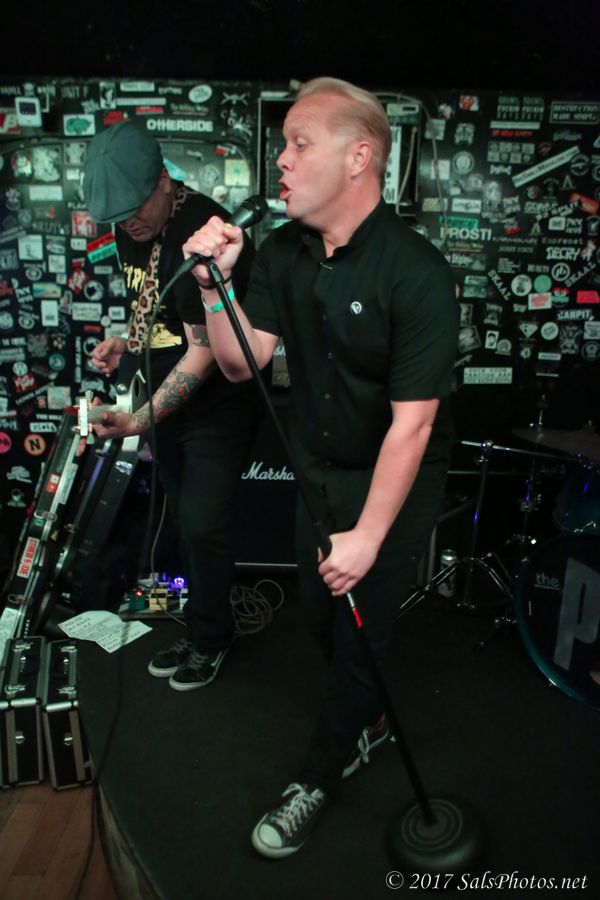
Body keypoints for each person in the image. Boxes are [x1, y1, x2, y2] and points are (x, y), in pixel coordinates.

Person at [182, 77, 460, 857]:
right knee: (319, 615)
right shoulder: (282, 252)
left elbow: (414, 424)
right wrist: (213, 286)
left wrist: (369, 537)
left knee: (363, 628)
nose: (282, 160)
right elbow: (238, 362)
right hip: (319, 466)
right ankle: (362, 707)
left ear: (359, 157)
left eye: (300, 144)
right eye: (283, 145)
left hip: (394, 474)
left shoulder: (416, 271)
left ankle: (317, 775)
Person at [82, 121, 262, 690]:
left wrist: (136, 420)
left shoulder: (205, 230)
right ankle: (204, 623)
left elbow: (205, 352)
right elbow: (155, 308)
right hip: (168, 401)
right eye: (116, 218)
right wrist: (126, 342)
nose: (127, 225)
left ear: (164, 179)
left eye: (134, 210)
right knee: (185, 520)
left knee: (204, 523)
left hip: (217, 404)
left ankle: (212, 638)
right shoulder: (131, 229)